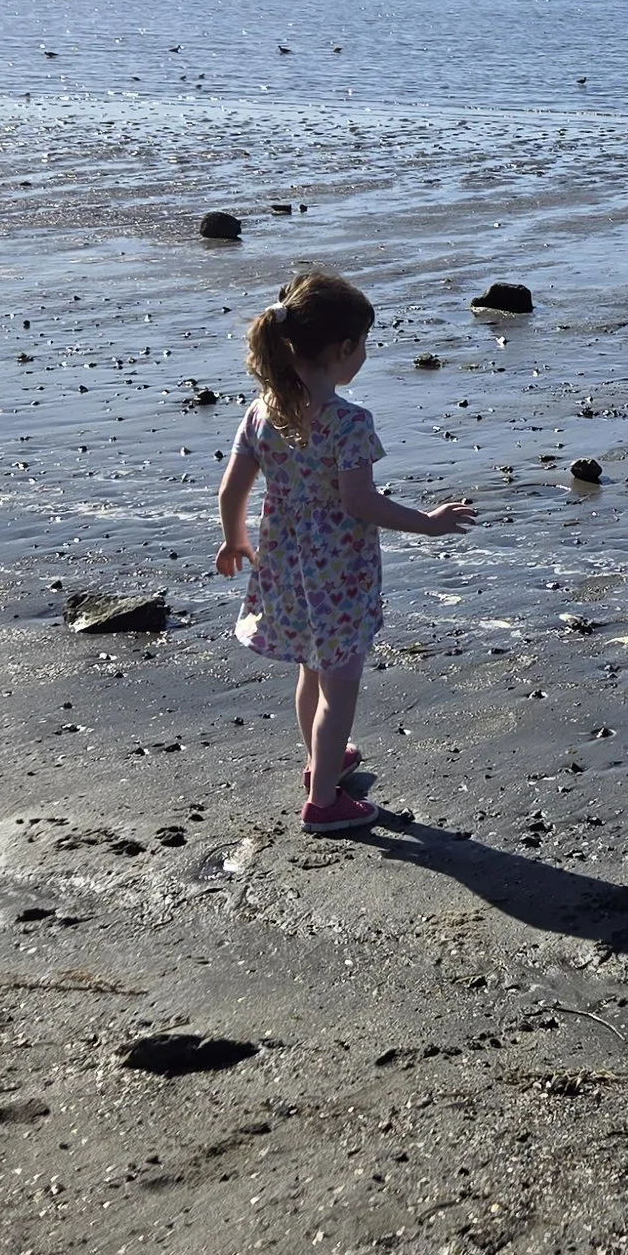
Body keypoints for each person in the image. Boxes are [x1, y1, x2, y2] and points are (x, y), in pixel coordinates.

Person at [214, 272, 475, 837]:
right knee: (341, 683)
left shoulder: (262, 411)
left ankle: (320, 762)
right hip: (339, 570)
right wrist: (427, 524)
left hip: (284, 563)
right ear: (344, 349)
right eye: (365, 342)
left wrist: (235, 537)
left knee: (312, 667)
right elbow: (360, 502)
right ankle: (324, 800)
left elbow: (232, 488)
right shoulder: (349, 422)